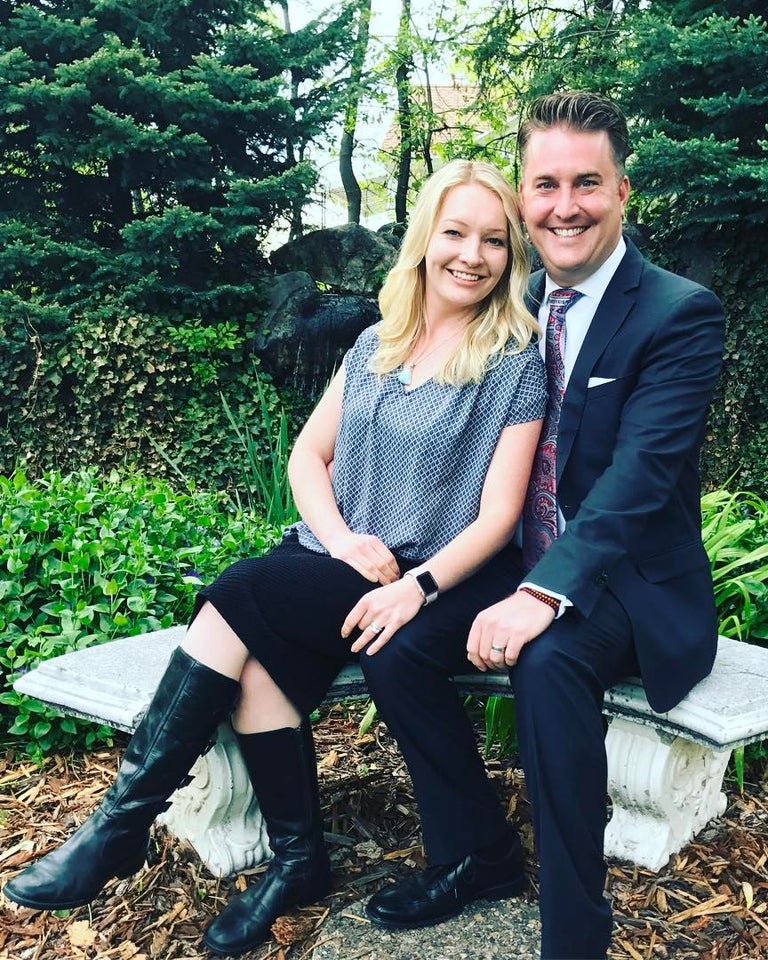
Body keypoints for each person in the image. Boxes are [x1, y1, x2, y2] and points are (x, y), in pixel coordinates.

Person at [2, 160, 546, 957]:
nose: (473, 255)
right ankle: (294, 861)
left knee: (241, 590)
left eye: (494, 241)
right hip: (343, 560)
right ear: (424, 240)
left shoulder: (513, 360)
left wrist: (417, 588)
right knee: (254, 657)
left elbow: (499, 517)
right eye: (455, 232)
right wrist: (342, 539)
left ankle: (124, 825)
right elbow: (306, 458)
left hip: (434, 570)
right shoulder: (375, 344)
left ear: (510, 256)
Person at [359, 91, 726, 959]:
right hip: (513, 561)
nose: (566, 206)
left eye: (586, 183)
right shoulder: (507, 298)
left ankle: (572, 933)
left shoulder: (678, 312)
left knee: (549, 662)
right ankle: (476, 853)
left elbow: (639, 481)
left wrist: (543, 593)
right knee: (396, 645)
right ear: (523, 197)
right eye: (546, 185)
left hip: (626, 583)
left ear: (623, 191)